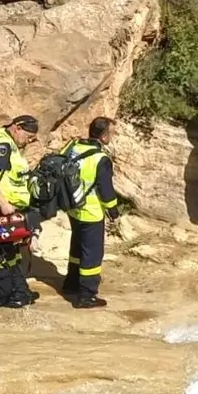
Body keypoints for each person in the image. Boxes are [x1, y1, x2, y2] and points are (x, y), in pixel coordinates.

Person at [0, 115, 40, 307]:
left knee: (11, 250)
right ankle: (2, 297)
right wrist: (3, 203)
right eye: (28, 136)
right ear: (17, 127)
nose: (28, 141)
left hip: (5, 206)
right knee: (0, 252)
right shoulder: (2, 146)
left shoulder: (6, 142)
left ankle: (20, 292)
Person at [61, 117, 120, 309]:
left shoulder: (74, 147)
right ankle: (86, 295)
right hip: (91, 211)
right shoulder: (100, 159)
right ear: (103, 136)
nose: (112, 136)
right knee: (92, 254)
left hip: (73, 208)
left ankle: (71, 283)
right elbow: (106, 190)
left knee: (77, 247)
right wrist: (113, 211)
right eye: (111, 133)